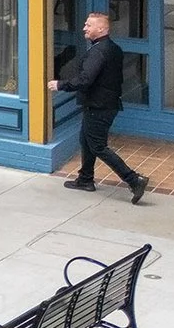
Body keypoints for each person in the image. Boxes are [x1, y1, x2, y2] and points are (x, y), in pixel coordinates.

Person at [50, 12, 150, 203]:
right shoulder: (113, 48)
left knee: (97, 145)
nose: (84, 28)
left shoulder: (98, 52)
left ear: (102, 29)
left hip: (99, 106)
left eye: (88, 25)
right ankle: (85, 178)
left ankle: (133, 180)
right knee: (86, 140)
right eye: (85, 24)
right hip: (104, 104)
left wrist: (61, 85)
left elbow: (86, 79)